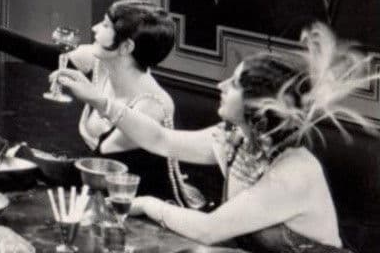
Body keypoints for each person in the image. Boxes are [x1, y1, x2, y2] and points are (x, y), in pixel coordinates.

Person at [54, 23, 377, 252]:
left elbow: (209, 230)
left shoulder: (296, 172)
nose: (220, 86)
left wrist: (148, 205)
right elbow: (161, 140)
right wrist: (100, 101)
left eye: (234, 84)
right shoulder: (236, 140)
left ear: (256, 104)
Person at [0, 0, 195, 204]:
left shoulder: (151, 106)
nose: (94, 28)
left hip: (135, 212)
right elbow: (32, 51)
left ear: (126, 47)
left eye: (105, 25)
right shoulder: (102, 63)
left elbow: (82, 172)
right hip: (93, 194)